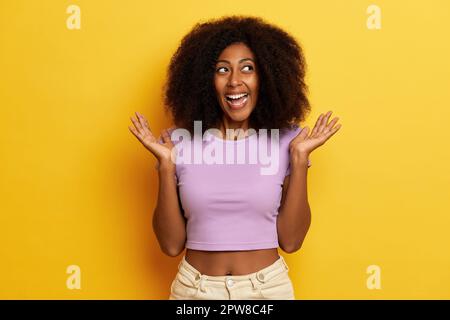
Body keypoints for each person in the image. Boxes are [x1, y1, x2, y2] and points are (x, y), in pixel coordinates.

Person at [128, 15, 342, 300]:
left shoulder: (289, 142)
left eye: (248, 68)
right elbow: (170, 245)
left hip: (267, 291)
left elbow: (291, 242)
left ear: (265, 76)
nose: (234, 81)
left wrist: (300, 160)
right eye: (222, 70)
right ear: (206, 80)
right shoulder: (178, 142)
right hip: (194, 290)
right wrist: (166, 167)